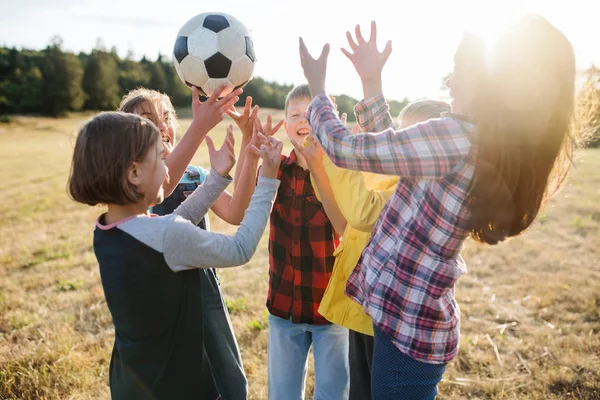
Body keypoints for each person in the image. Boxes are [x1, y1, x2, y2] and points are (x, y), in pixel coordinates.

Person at [299, 16, 578, 399]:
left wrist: (317, 89)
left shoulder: (455, 138)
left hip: (407, 330)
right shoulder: (475, 142)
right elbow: (399, 152)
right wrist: (371, 81)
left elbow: (350, 150)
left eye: (459, 71)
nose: (450, 82)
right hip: (409, 321)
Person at [67, 110, 283, 400]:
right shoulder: (167, 236)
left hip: (132, 381)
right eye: (160, 158)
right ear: (133, 173)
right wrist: (267, 179)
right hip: (179, 384)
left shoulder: (108, 228)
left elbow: (175, 222)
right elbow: (240, 248)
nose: (169, 169)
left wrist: (217, 179)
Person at [292, 99, 450, 400]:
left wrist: (335, 157)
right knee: (362, 392)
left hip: (388, 312)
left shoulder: (413, 190)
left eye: (410, 136)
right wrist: (319, 163)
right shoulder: (386, 175)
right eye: (400, 135)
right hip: (363, 304)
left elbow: (360, 212)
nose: (400, 144)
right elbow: (342, 221)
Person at [235, 84, 350, 399]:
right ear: (285, 125)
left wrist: (319, 163)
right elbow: (242, 207)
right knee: (283, 393)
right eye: (296, 114)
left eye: (312, 114)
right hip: (285, 306)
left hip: (332, 309)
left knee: (333, 393)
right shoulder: (277, 168)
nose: (304, 120)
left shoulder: (341, 173)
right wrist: (251, 153)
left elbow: (345, 225)